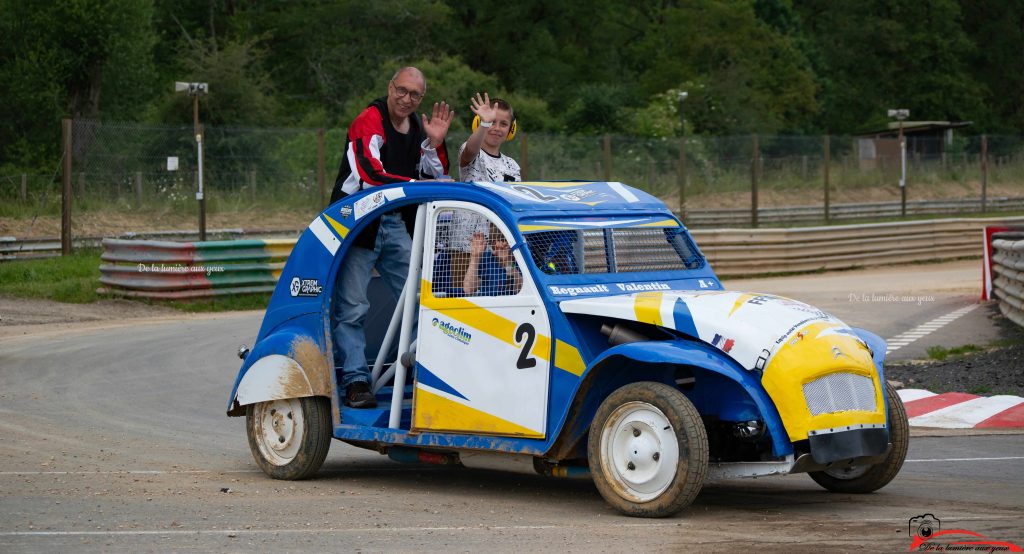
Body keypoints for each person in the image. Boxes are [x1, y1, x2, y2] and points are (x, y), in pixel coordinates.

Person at [331, 67, 453, 408]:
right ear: (390, 87)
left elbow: (437, 174)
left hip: (395, 222)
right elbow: (370, 175)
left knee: (416, 299)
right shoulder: (368, 120)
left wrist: (436, 142)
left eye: (415, 95)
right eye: (402, 90)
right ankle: (355, 379)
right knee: (353, 306)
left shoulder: (417, 127)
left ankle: (424, 374)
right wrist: (418, 187)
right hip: (358, 225)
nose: (406, 99)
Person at [463, 225, 522, 296]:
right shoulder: (486, 257)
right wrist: (475, 257)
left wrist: (508, 263)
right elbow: (469, 289)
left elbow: (519, 289)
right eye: (501, 242)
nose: (503, 247)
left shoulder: (521, 258)